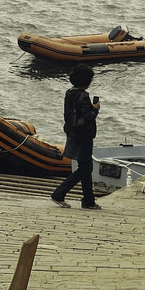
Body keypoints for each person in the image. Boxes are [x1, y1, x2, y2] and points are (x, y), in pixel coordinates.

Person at [49, 65, 101, 209]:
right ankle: (59, 193)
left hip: (73, 132)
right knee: (84, 168)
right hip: (84, 135)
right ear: (87, 81)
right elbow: (88, 116)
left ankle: (88, 201)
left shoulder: (69, 93)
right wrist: (95, 109)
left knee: (85, 166)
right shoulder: (84, 96)